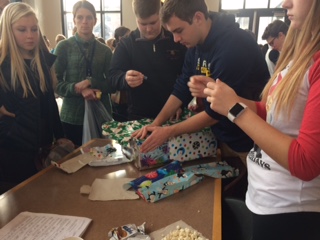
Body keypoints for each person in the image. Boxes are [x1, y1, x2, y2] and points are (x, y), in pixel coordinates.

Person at [202, 0, 320, 239]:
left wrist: (234, 109)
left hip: (291, 210)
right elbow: (274, 113)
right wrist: (225, 97)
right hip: (265, 198)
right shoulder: (302, 54)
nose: (285, 3)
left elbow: (306, 162)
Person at [133, 0, 269, 164]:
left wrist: (169, 131)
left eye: (179, 31)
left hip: (248, 142)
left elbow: (217, 112)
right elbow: (182, 85)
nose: (175, 39)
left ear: (198, 18)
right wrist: (156, 123)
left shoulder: (233, 47)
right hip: (221, 135)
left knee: (237, 188)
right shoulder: (195, 43)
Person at [0, 2, 72, 191]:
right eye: (22, 30)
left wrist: (60, 135)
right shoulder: (2, 65)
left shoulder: (42, 61)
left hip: (42, 146)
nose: (30, 35)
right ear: (9, 30)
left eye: (34, 29)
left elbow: (49, 103)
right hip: (12, 151)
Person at [109, 0, 186, 121]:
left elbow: (187, 75)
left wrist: (180, 103)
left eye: (153, 22)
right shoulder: (126, 44)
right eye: (143, 24)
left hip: (173, 113)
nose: (149, 29)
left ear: (161, 15)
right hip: (138, 116)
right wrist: (125, 78)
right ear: (136, 20)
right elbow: (112, 76)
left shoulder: (176, 39)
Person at [54, 0, 113, 146]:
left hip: (101, 113)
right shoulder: (63, 47)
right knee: (74, 161)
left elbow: (113, 83)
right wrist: (78, 89)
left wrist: (92, 82)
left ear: (95, 20)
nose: (84, 21)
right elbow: (55, 83)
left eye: (89, 17)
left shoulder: (105, 50)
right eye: (80, 17)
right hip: (72, 116)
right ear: (74, 20)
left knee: (103, 159)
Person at [110, 26, 131, 122]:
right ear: (121, 38)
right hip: (121, 96)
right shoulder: (118, 53)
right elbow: (113, 75)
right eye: (128, 35)